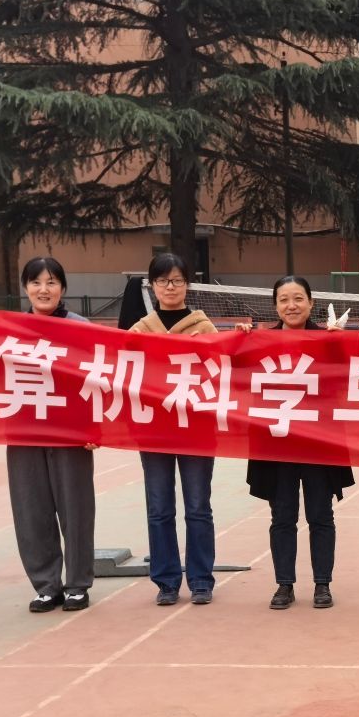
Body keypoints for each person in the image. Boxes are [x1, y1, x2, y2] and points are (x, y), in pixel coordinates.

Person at [246, 275, 353, 610]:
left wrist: (340, 346)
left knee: (321, 514)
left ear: (311, 302)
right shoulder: (260, 342)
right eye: (284, 300)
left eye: (298, 299)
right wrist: (239, 339)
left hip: (319, 443)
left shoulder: (329, 340)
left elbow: (350, 377)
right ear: (275, 306)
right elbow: (234, 371)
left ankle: (322, 583)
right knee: (282, 517)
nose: (291, 306)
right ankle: (285, 584)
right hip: (276, 442)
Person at [7, 256, 96, 614]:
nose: (43, 290)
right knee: (31, 509)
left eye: (51, 282)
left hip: (70, 433)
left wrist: (93, 428)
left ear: (63, 288)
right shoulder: (8, 329)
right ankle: (46, 585)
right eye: (36, 282)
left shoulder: (81, 328)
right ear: (25, 288)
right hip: (24, 430)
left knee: (76, 509)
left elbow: (97, 380)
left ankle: (77, 584)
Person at [135, 252, 219, 606]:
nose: (170, 287)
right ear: (152, 285)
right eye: (162, 281)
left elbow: (225, 373)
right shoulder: (139, 330)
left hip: (196, 431)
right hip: (154, 431)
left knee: (198, 506)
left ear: (188, 284)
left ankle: (201, 579)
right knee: (159, 508)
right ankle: (167, 580)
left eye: (177, 280)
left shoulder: (206, 329)